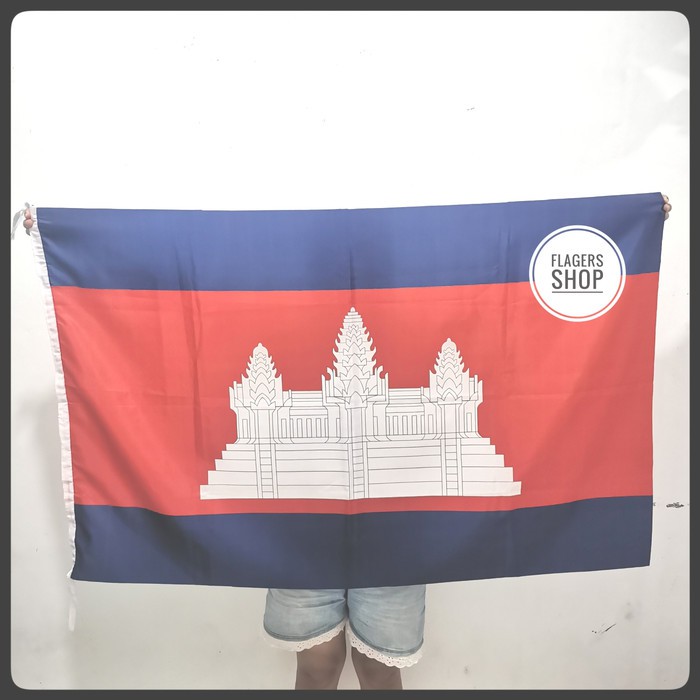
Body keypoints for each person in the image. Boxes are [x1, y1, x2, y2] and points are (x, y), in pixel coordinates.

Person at [20, 194, 673, 690]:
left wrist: (637, 222)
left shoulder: (418, 311)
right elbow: (173, 271)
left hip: (401, 521)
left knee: (380, 667)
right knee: (316, 663)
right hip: (294, 524)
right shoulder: (286, 308)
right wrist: (57, 235)